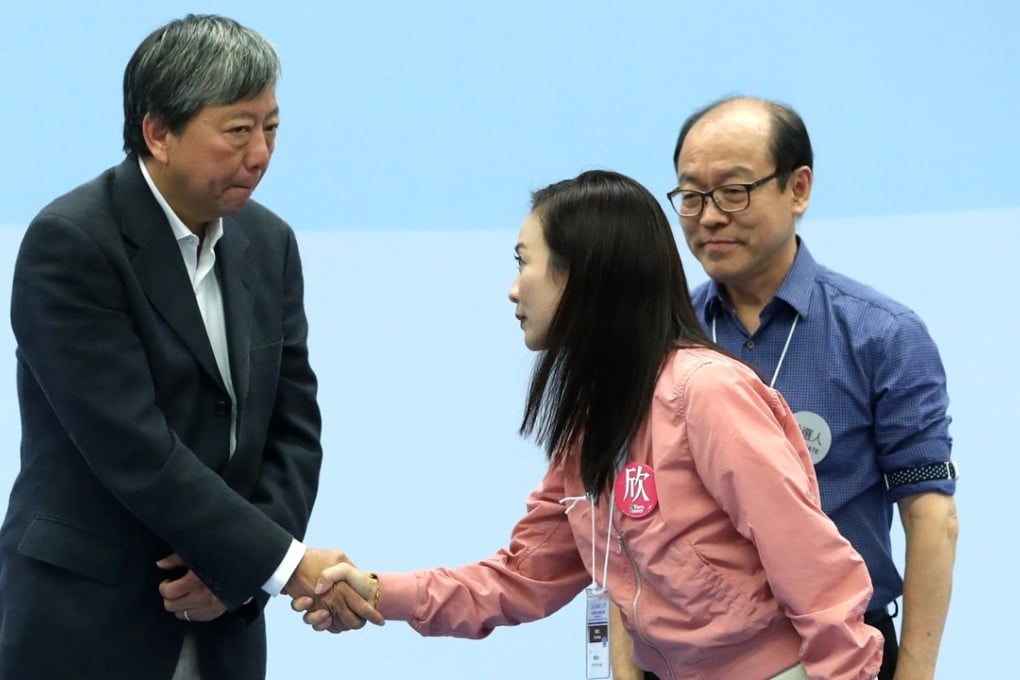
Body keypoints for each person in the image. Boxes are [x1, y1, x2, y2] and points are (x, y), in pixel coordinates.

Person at [296, 170, 884, 680]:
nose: (511, 288)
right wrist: (376, 590)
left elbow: (820, 578)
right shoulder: (594, 419)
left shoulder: (706, 392)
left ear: (584, 277)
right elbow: (520, 576)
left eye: (524, 262)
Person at [0, 14, 380, 679]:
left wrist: (236, 571)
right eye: (237, 130)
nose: (260, 153)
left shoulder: (269, 242)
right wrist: (280, 564)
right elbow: (133, 448)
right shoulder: (72, 243)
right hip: (84, 627)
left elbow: (293, 427)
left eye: (272, 129)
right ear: (158, 132)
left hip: (222, 629)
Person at [610, 97, 959, 680]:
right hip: (691, 659)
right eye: (691, 196)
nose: (710, 216)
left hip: (846, 651)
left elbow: (931, 519)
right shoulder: (654, 345)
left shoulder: (882, 336)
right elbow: (625, 522)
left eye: (734, 190)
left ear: (798, 189)